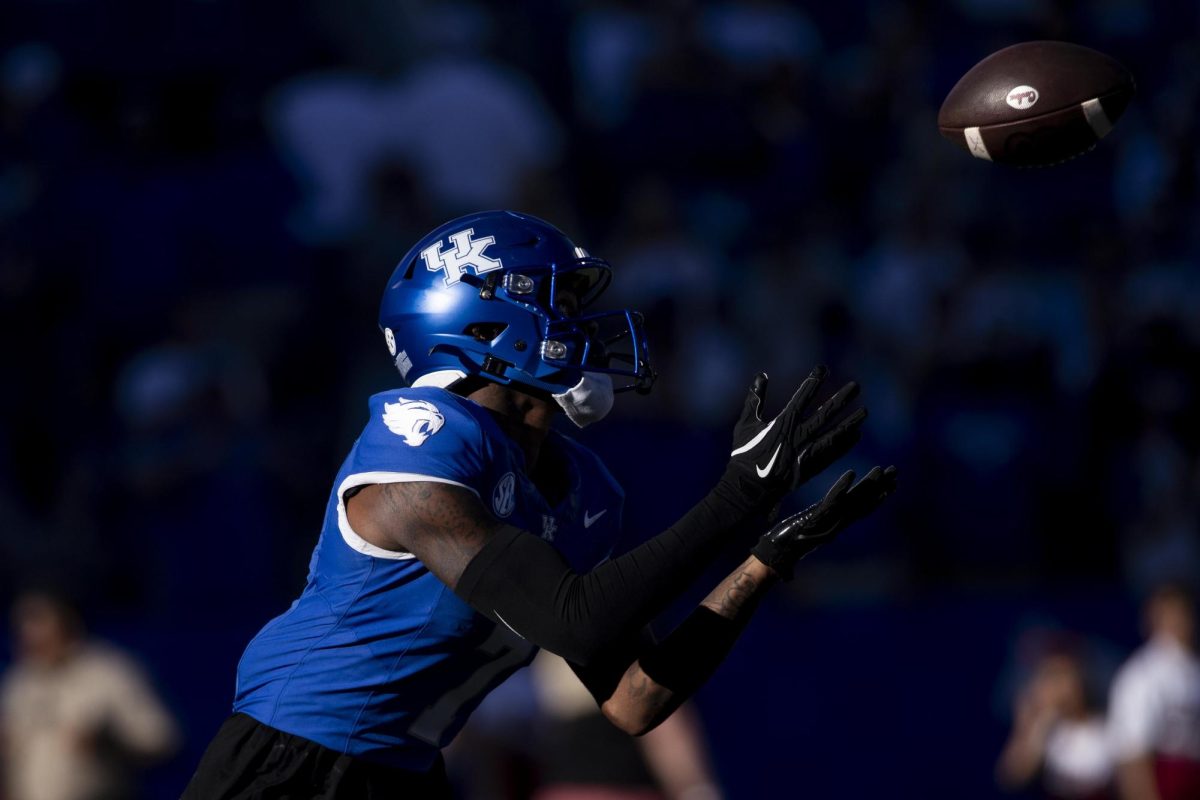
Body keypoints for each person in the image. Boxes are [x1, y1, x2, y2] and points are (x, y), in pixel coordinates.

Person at [183, 210, 896, 798]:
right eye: (562, 305)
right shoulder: (418, 439)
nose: (586, 327)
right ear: (488, 323)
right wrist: (742, 495)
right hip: (292, 764)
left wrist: (764, 561)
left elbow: (636, 699)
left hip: (405, 773)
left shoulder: (581, 486)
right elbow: (572, 619)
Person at [0, 589, 180, 800]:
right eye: (24, 623)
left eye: (39, 620)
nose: (31, 633)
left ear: (68, 622)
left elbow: (163, 740)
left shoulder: (110, 671)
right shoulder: (18, 680)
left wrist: (110, 742)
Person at [1108, 583, 1200, 800]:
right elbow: (1132, 759)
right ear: (1152, 620)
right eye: (1167, 614)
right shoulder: (1140, 676)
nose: (1177, 621)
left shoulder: (1194, 669)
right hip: (1164, 784)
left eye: (1182, 612)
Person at [996, 645, 1114, 800]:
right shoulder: (1042, 729)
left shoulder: (1107, 727)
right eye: (1050, 678)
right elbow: (1011, 776)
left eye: (1065, 676)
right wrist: (1033, 726)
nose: (1059, 687)